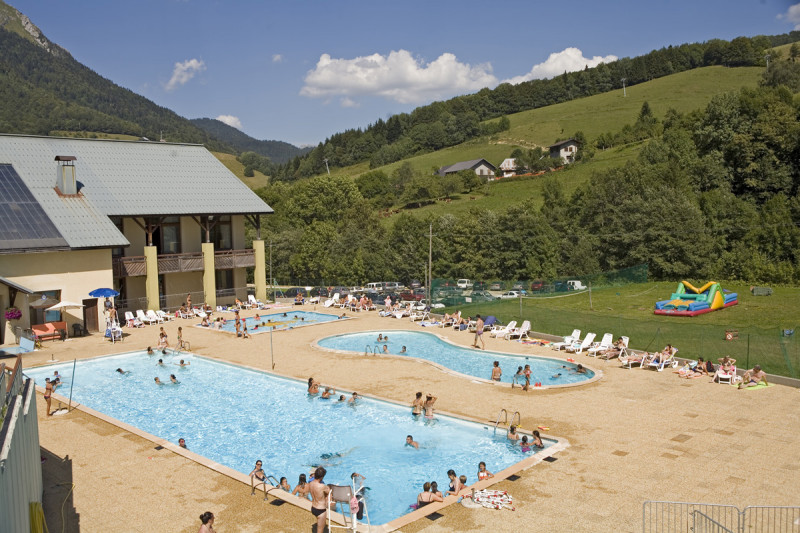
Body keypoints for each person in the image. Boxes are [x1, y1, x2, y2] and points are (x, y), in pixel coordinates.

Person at [309, 466, 331, 533]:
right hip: (321, 510)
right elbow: (329, 492)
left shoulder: (310, 483)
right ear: (322, 477)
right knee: (320, 530)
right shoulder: (322, 486)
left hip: (313, 507)